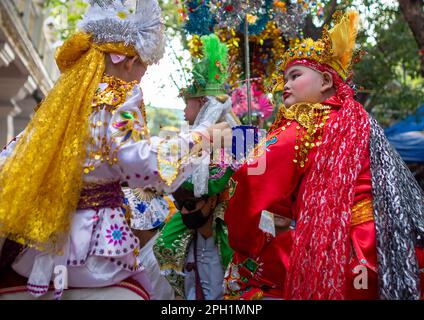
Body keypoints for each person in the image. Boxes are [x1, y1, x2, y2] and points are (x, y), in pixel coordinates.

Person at [0, 0, 230, 299]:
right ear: (129, 61)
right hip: (95, 252)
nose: (141, 78)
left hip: (39, 246)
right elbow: (138, 160)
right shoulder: (120, 94)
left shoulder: (62, 103)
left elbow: (11, 159)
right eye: (144, 69)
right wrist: (203, 137)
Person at [224, 10, 424, 300]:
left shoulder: (303, 125)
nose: (286, 85)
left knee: (247, 278)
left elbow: (250, 183)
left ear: (327, 82)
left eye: (295, 75)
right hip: (384, 244)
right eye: (284, 78)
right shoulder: (358, 122)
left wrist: (250, 242)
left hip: (336, 248)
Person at [153, 166, 234, 300]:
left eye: (190, 204)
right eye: (179, 205)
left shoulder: (230, 244)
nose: (184, 211)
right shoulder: (178, 244)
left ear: (212, 201)